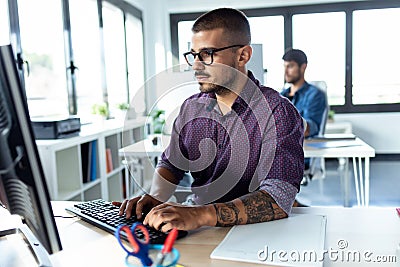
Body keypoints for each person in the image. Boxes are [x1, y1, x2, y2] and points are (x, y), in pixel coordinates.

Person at [113, 8, 304, 232]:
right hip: (198, 228)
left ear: (243, 55)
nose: (196, 65)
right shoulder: (190, 109)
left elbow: (278, 198)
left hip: (259, 232)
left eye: (207, 54)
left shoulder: (278, 112)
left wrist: (200, 214)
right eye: (193, 55)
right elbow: (171, 164)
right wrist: (155, 197)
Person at [281, 49, 327, 139]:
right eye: (284, 66)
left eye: (290, 66)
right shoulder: (281, 95)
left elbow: (310, 128)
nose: (286, 72)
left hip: (304, 146)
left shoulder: (315, 94)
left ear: (303, 67)